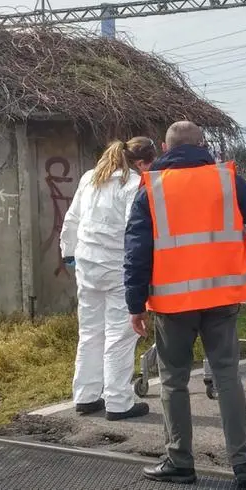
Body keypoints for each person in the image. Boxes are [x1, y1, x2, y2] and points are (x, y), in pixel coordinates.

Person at [124, 121, 246, 486]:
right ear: (202, 145)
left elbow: (136, 252)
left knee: (174, 381)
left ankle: (180, 461)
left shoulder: (152, 189)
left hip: (173, 301)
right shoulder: (226, 180)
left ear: (165, 147)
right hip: (222, 295)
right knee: (227, 377)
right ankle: (243, 465)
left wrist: (135, 303)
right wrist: (244, 252)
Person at [60, 137, 156, 421]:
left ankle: (86, 396)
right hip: (117, 267)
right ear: (141, 163)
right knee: (120, 335)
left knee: (90, 332)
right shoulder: (134, 184)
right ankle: (118, 402)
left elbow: (71, 219)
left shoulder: (90, 178)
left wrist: (69, 253)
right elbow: (134, 231)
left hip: (86, 265)